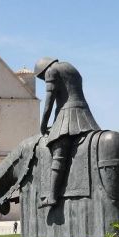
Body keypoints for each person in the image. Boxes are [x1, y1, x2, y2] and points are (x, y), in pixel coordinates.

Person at [35, 57, 100, 207]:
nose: (44, 80)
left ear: (43, 71)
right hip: (85, 113)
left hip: (68, 115)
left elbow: (49, 102)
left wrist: (43, 125)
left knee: (59, 151)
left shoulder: (51, 71)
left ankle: (52, 196)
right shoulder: (70, 68)